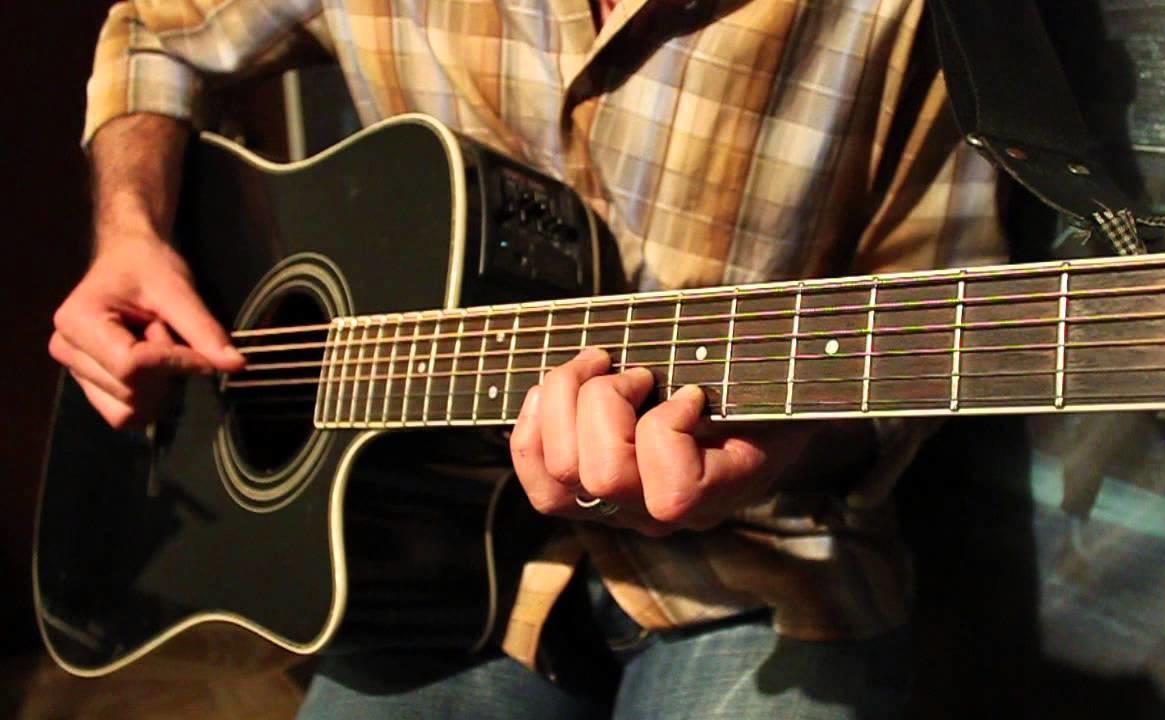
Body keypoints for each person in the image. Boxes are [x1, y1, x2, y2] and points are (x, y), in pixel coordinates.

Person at [49, 0, 1006, 717]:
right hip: (422, 569)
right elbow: (153, 32)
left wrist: (785, 447)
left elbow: (925, 323)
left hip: (765, 567)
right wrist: (130, 229)